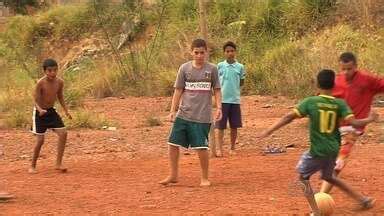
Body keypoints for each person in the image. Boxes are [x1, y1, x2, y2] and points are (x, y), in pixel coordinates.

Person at [258, 69, 376, 215]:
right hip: (333, 150)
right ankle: (363, 200)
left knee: (302, 178)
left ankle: (316, 211)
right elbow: (355, 122)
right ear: (334, 85)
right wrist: (370, 119)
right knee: (329, 177)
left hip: (317, 150)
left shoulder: (311, 102)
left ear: (317, 85)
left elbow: (289, 117)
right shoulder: (340, 104)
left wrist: (269, 130)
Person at [159, 39, 222, 187]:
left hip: (202, 115)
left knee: (201, 147)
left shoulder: (212, 69)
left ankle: (205, 177)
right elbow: (178, 90)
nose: (199, 55)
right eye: (196, 52)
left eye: (202, 52)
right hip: (184, 113)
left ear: (206, 52)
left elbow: (217, 90)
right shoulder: (184, 68)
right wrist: (172, 110)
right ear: (191, 52)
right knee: (173, 143)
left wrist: (219, 107)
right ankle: (173, 175)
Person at [321, 52, 384, 193]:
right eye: (343, 69)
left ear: (356, 66)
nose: (346, 72)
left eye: (349, 69)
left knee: (338, 162)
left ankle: (321, 196)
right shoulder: (336, 81)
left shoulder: (367, 80)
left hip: (352, 130)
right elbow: (322, 99)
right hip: (334, 128)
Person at [29, 58, 72, 174]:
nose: (52, 73)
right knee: (40, 141)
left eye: (55, 70)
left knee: (63, 133)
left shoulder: (60, 82)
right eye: (49, 71)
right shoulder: (40, 83)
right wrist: (40, 110)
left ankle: (58, 163)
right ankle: (32, 165)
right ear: (45, 71)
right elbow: (35, 100)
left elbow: (60, 97)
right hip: (39, 113)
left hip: (51, 111)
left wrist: (66, 111)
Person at [213, 41, 245, 157]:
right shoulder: (220, 66)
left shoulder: (240, 67)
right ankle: (219, 149)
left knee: (234, 126)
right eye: (228, 51)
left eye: (232, 51)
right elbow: (216, 82)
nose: (230, 53)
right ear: (224, 53)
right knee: (220, 126)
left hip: (235, 101)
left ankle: (232, 148)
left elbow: (241, 82)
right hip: (222, 101)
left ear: (235, 52)